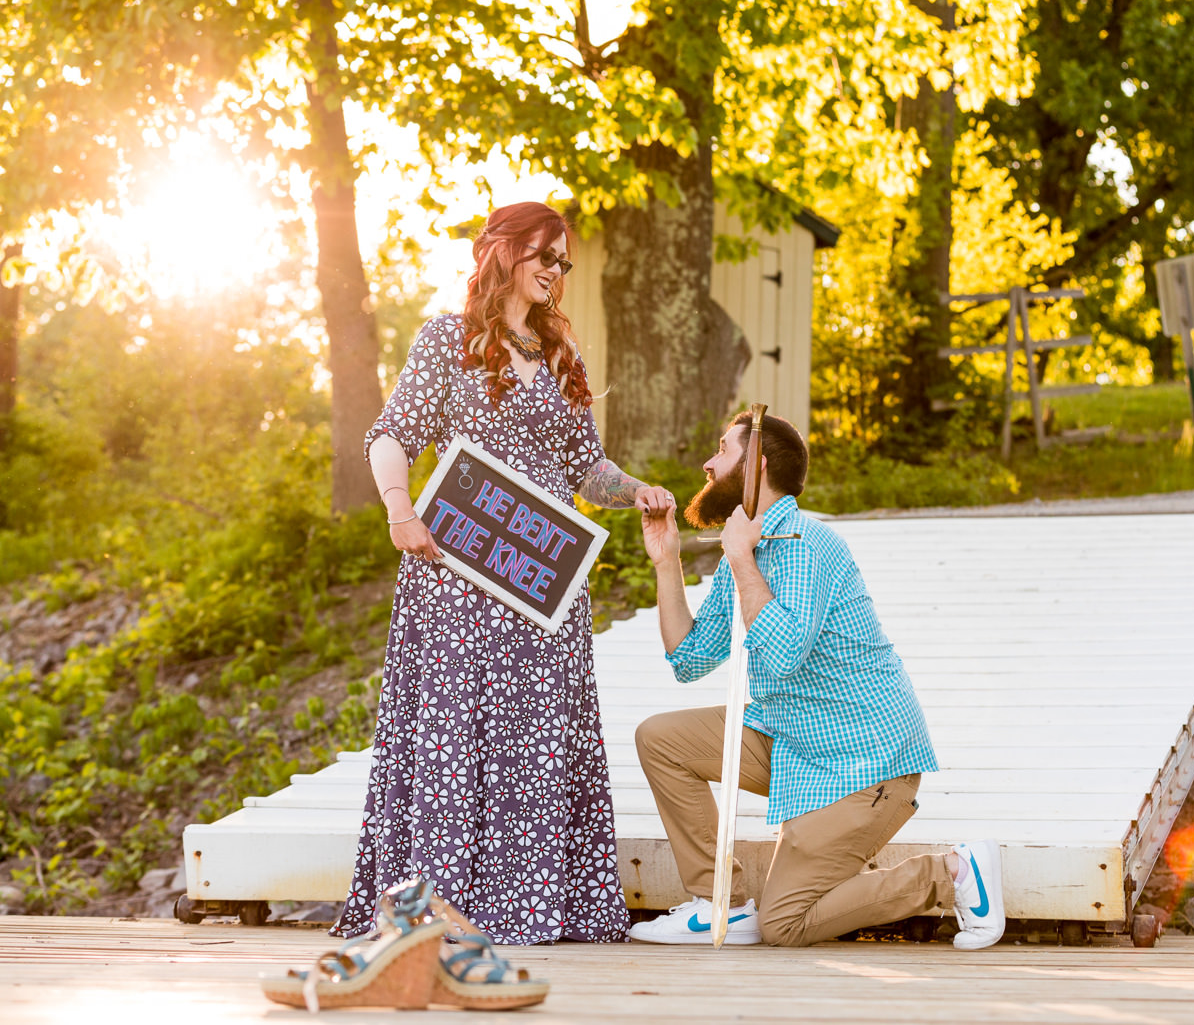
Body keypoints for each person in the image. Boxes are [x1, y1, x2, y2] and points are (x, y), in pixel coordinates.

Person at [332, 201, 673, 945]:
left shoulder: (561, 357)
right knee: (459, 740)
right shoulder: (445, 342)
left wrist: (636, 491)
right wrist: (399, 510)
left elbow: (586, 467)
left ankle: (538, 904)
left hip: (543, 581)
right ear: (503, 253)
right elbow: (390, 435)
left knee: (541, 739)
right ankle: (441, 908)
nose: (556, 273)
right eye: (544, 257)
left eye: (564, 262)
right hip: (458, 577)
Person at [628, 411, 1007, 948]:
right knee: (661, 739)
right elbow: (689, 659)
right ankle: (720, 905)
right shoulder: (750, 548)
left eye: (722, 450)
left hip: (864, 766)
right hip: (793, 742)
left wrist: (739, 561)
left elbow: (780, 656)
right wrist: (666, 562)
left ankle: (952, 873)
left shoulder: (806, 543)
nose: (708, 464)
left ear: (755, 467)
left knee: (785, 924)